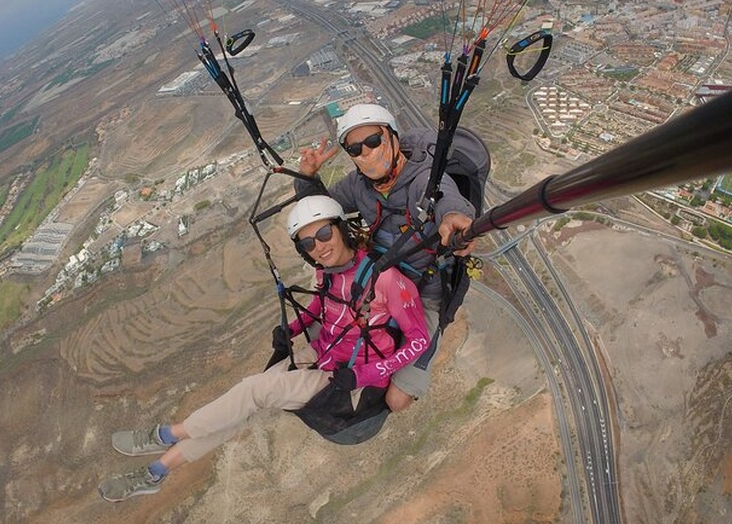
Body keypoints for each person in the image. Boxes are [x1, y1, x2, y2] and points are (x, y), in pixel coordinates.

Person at [98, 195, 429, 503]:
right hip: (322, 354)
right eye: (308, 243)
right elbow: (322, 307)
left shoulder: (385, 279)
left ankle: (166, 433)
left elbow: (419, 339)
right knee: (243, 406)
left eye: (324, 233)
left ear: (341, 229)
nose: (319, 246)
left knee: (253, 391)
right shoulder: (325, 273)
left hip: (353, 379)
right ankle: (155, 472)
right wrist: (291, 329)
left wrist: (365, 374)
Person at [295, 103, 478, 412]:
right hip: (377, 286)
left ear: (392, 137)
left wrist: (454, 219)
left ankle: (412, 358)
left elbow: (446, 198)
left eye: (373, 141)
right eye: (355, 148)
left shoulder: (424, 179)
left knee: (396, 400)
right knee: (324, 340)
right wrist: (307, 177)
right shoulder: (358, 186)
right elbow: (320, 217)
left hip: (424, 293)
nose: (366, 153)